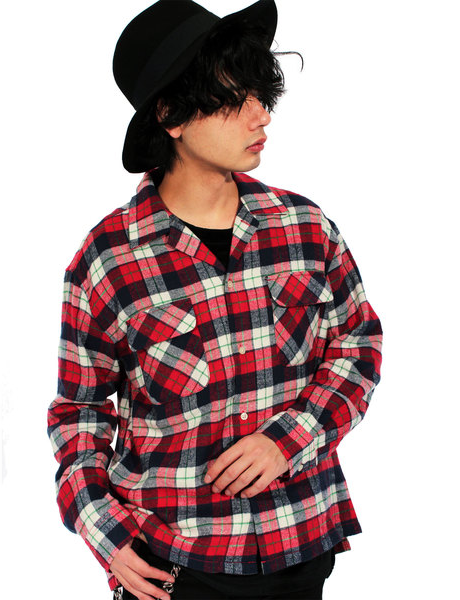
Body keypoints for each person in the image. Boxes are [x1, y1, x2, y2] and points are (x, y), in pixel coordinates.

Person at [47, 1, 383, 599]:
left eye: (261, 94)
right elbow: (81, 413)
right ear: (171, 115)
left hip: (300, 542)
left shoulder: (305, 228)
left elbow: (357, 347)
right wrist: (107, 535)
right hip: (173, 560)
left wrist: (288, 440)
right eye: (235, 98)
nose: (262, 115)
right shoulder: (108, 260)